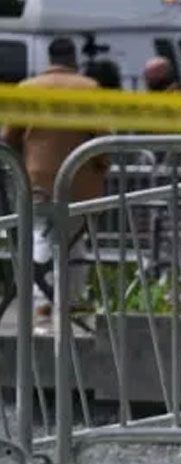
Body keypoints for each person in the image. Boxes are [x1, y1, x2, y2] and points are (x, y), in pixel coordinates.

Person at [0, 38, 108, 323]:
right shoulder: (89, 88)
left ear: (49, 59)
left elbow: (8, 137)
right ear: (73, 58)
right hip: (79, 181)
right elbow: (103, 138)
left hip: (36, 180)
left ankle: (42, 304)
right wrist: (102, 166)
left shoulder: (27, 89)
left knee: (41, 237)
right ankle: (68, 302)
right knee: (74, 243)